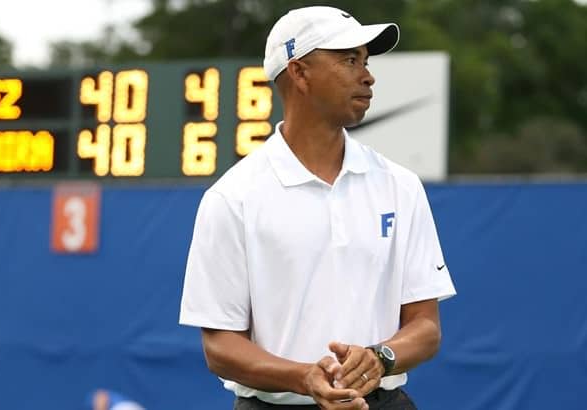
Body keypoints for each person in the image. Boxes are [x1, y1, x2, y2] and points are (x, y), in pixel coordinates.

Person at [180, 5, 457, 410]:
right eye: (349, 60)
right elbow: (220, 347)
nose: (368, 76)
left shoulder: (400, 185)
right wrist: (302, 377)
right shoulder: (232, 197)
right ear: (299, 73)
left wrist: (380, 358)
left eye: (365, 61)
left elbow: (426, 326)